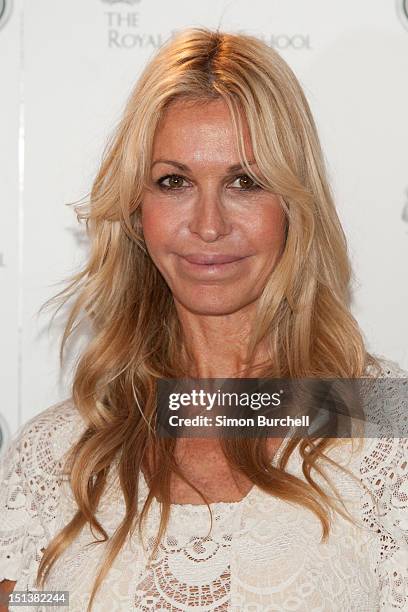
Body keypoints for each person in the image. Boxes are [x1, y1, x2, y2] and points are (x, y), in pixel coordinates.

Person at [0, 26, 407, 612]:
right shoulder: (61, 451)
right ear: (137, 211)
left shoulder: (381, 423)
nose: (209, 225)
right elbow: (43, 603)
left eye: (245, 182)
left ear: (294, 206)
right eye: (174, 182)